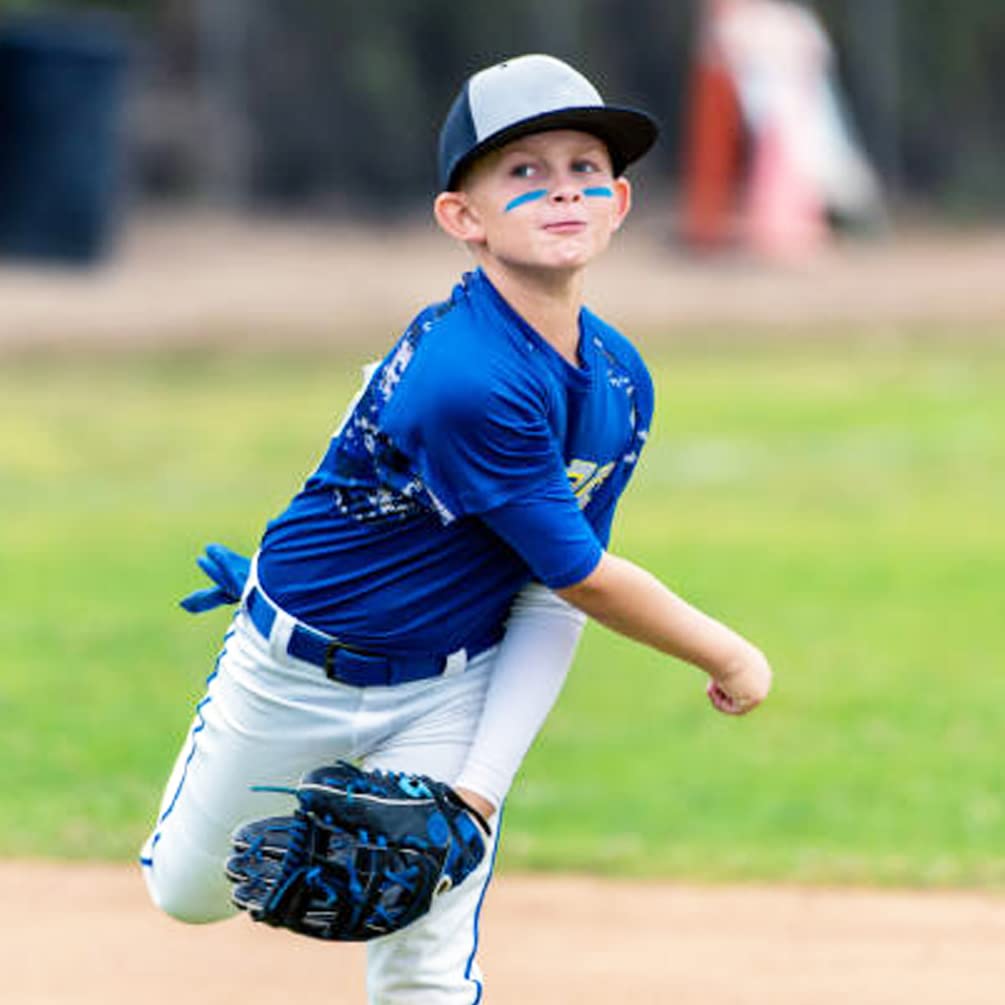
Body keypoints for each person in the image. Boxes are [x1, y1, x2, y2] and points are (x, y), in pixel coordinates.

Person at [140, 53, 772, 1004]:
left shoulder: (617, 378)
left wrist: (471, 794)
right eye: (522, 172)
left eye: (583, 167)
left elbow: (551, 591)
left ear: (620, 202)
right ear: (461, 218)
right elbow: (588, 579)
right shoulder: (467, 374)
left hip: (453, 682)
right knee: (189, 895)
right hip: (291, 672)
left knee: (425, 965)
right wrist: (729, 654)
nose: (562, 189)